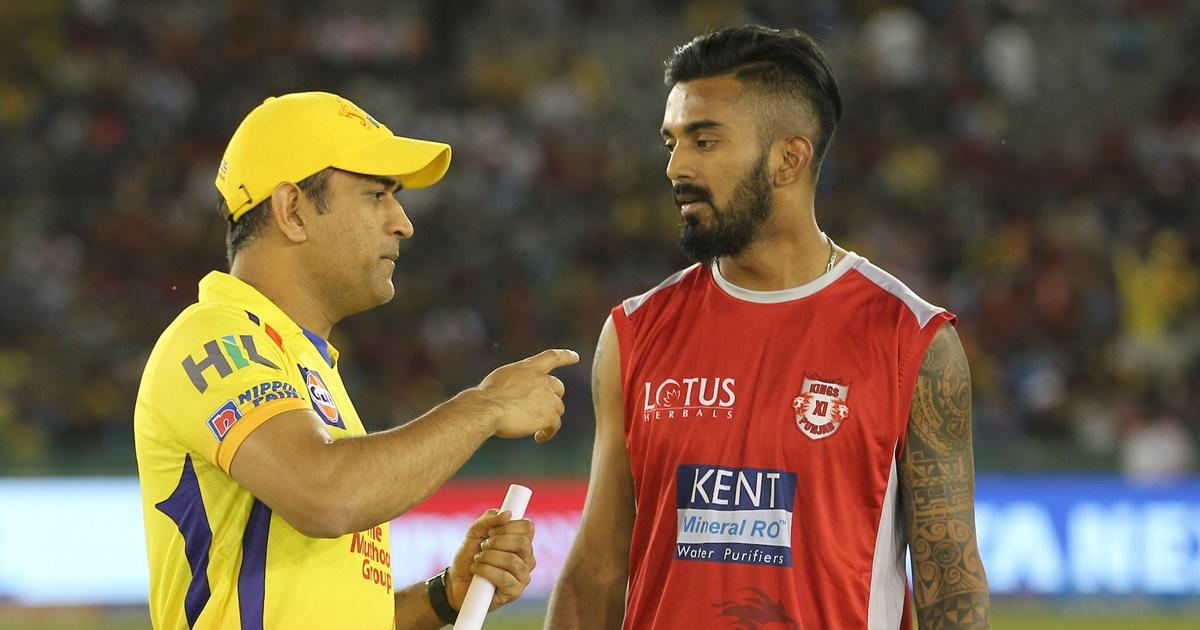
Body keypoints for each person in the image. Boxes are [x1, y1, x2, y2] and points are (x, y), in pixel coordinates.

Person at [547, 26, 990, 629]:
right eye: (672, 142)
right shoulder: (634, 333)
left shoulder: (911, 340)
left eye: (704, 141)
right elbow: (597, 569)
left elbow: (950, 578)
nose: (676, 166)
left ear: (789, 159)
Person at [134, 91, 578, 629]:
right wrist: (485, 407)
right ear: (292, 210)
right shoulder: (215, 337)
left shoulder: (306, 368)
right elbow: (325, 494)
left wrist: (445, 595)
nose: (402, 223)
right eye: (376, 194)